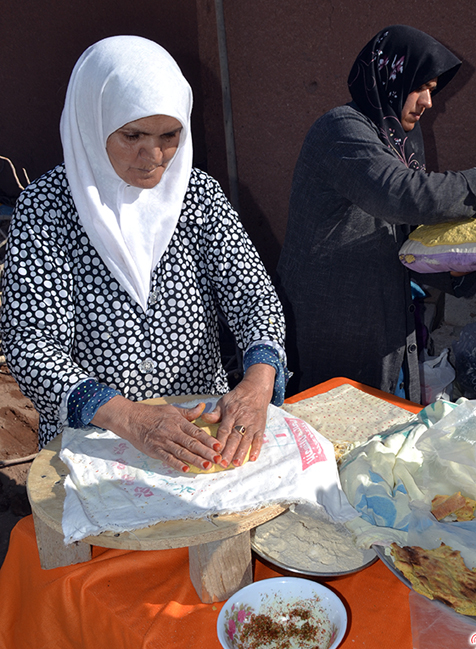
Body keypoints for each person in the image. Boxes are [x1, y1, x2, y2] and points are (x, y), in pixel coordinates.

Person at [0, 36, 288, 473]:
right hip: (96, 440)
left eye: (169, 135)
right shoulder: (48, 209)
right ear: (91, 124)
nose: (154, 156)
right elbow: (32, 342)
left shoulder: (198, 196)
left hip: (201, 433)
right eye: (132, 135)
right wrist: (128, 416)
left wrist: (256, 382)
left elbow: (254, 299)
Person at [276, 25, 476, 402]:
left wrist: (450, 267)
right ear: (389, 78)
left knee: (378, 433)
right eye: (421, 88)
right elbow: (399, 194)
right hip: (333, 320)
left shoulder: (396, 140)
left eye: (432, 90)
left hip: (384, 317)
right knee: (331, 428)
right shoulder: (341, 129)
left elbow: (408, 228)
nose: (428, 102)